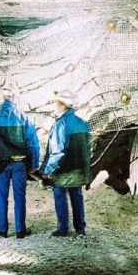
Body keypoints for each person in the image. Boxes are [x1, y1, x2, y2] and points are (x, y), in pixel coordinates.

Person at [0, 89, 40, 239]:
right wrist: (34, 164)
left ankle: (2, 230)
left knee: (2, 196)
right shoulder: (24, 117)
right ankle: (20, 230)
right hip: (19, 163)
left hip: (1, 164)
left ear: (3, 98)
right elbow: (33, 143)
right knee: (20, 196)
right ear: (15, 99)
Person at [40, 89, 91, 237]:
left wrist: (48, 171)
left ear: (62, 104)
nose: (55, 106)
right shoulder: (82, 123)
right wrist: (87, 172)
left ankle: (63, 228)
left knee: (60, 196)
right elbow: (87, 150)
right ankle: (80, 227)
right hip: (79, 169)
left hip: (63, 171)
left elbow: (58, 152)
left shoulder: (60, 124)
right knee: (77, 196)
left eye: (57, 103)